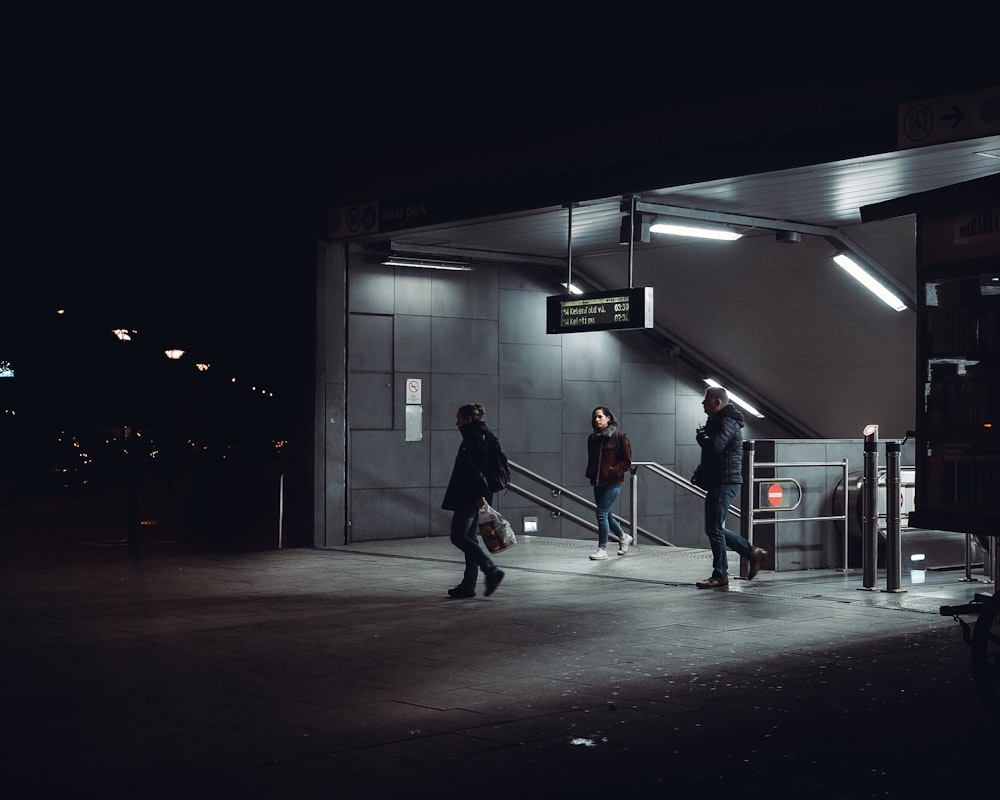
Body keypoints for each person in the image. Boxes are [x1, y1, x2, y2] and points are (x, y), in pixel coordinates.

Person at [693, 387, 767, 588]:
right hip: (719, 479)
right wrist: (701, 471)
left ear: (717, 402)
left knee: (714, 528)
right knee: (713, 528)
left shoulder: (727, 421)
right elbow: (712, 454)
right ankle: (749, 554)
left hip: (726, 480)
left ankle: (722, 573)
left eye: (706, 400)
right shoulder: (717, 421)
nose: (703, 404)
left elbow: (716, 445)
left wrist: (701, 437)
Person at [441, 403, 506, 599]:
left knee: (458, 537)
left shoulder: (474, 437)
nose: (456, 423)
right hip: (476, 494)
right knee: (469, 538)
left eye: (459, 418)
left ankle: (491, 570)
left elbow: (477, 469)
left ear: (469, 419)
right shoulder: (484, 434)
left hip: (471, 495)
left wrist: (479, 495)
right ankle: (469, 584)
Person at [585, 406, 633, 560]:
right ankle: (623, 537)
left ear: (608, 418)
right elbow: (591, 459)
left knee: (601, 513)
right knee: (606, 513)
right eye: (595, 417)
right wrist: (590, 472)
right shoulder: (592, 438)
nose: (596, 420)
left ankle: (602, 549)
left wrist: (613, 471)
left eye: (600, 416)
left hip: (613, 482)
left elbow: (627, 461)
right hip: (598, 482)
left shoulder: (617, 436)